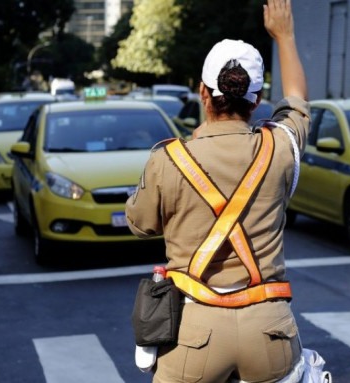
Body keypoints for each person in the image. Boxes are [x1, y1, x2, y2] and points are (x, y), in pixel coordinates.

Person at [125, 0, 310, 381]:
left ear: (202, 93)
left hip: (193, 333)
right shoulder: (280, 148)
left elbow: (140, 224)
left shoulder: (169, 159)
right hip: (270, 330)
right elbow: (297, 102)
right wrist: (284, 36)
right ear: (257, 100)